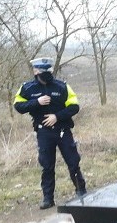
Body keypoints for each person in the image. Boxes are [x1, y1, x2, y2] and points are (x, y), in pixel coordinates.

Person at [13, 57, 87, 209]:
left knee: (73, 163)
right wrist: (36, 102)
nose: (44, 72)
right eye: (41, 69)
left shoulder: (62, 86)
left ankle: (82, 192)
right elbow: (18, 106)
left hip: (63, 131)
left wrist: (56, 117)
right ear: (35, 71)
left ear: (51, 70)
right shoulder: (27, 88)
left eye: (47, 69)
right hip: (43, 133)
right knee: (47, 166)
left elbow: (74, 107)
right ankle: (48, 198)